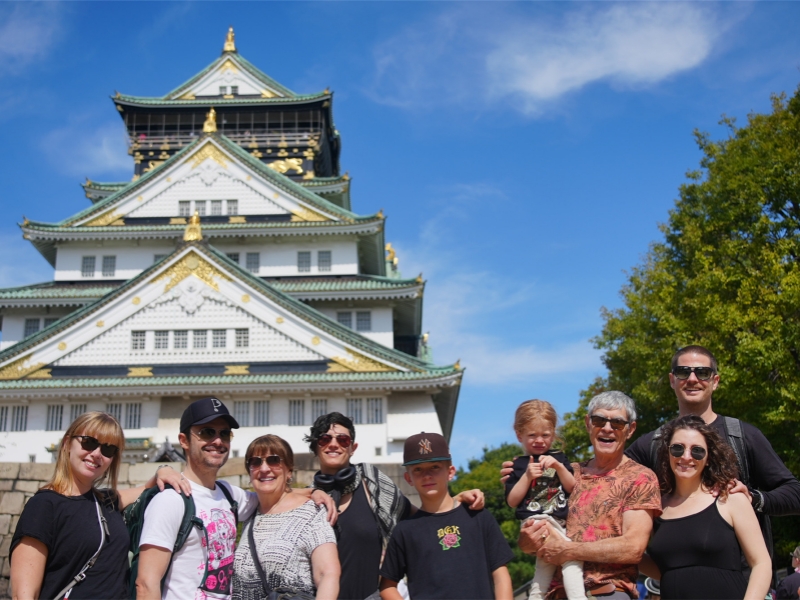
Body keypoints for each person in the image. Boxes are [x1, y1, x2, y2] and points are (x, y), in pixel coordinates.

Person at [136, 397, 334, 600]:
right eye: (207, 432)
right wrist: (162, 470)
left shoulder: (230, 495)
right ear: (184, 440)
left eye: (224, 433)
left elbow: (273, 494)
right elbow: (146, 584)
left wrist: (313, 492)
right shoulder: (170, 501)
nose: (218, 441)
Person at [625, 345, 800, 556]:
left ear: (714, 381)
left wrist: (754, 499)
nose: (692, 378)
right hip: (676, 581)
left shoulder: (742, 436)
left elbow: (794, 492)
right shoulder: (652, 444)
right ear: (672, 380)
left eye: (702, 372)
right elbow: (606, 476)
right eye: (683, 372)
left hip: (742, 582)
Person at [304, 412, 485, 600]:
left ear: (353, 447)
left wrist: (453, 501)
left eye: (342, 439)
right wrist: (306, 493)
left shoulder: (371, 480)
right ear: (315, 446)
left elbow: (421, 520)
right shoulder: (305, 502)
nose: (333, 444)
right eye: (325, 439)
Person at [9, 411, 188, 599]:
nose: (96, 454)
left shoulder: (106, 501)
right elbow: (24, 595)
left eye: (108, 449)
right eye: (89, 442)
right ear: (67, 444)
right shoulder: (44, 505)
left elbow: (145, 489)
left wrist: (163, 469)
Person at [516, 391, 662, 600]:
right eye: (599, 420)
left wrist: (569, 550)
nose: (607, 428)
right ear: (588, 424)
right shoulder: (564, 472)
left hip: (606, 592)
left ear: (630, 430)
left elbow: (633, 547)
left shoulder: (640, 478)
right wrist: (527, 540)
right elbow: (531, 531)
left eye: (618, 423)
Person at [640, 415, 771, 600]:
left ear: (708, 458)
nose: (686, 457)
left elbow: (761, 563)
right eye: (677, 448)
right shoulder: (655, 507)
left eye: (697, 451)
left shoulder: (730, 498)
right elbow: (662, 568)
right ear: (667, 452)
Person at [379, 432, 513, 600]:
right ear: (408, 478)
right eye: (418, 469)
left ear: (450, 472)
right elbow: (387, 586)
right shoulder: (405, 530)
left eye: (435, 467)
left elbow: (501, 575)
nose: (427, 475)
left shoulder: (478, 516)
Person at [232, 435, 340, 600]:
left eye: (273, 460)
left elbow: (327, 574)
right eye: (256, 462)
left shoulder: (311, 512)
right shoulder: (249, 509)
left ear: (289, 470)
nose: (264, 468)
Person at [504, 400, 582, 600]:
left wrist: (558, 467)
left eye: (545, 435)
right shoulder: (518, 465)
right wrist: (527, 477)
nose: (539, 440)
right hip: (538, 521)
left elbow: (572, 487)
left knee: (542, 573)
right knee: (571, 558)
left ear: (553, 434)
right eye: (532, 435)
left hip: (558, 522)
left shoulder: (559, 459)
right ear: (519, 435)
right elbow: (512, 501)